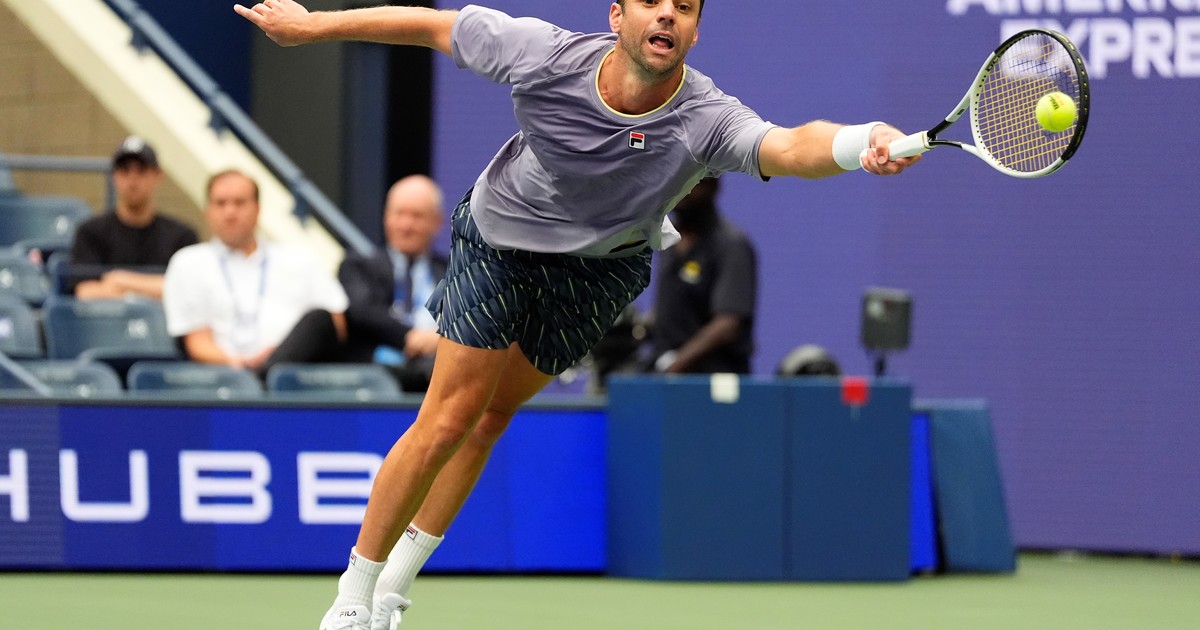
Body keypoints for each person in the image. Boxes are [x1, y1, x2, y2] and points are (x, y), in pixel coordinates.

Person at [234, 1, 921, 628]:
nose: (668, 15)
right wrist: (311, 27)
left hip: (600, 271)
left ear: (695, 31)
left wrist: (863, 141)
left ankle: (393, 592)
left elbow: (791, 146)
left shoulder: (705, 117)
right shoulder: (543, 54)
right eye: (652, 2)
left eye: (684, 8)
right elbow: (431, 26)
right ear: (618, 16)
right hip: (500, 241)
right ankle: (353, 599)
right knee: (449, 416)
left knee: (492, 418)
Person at [162, 169, 349, 376]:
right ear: (207, 211)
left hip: (291, 373)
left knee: (319, 318)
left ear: (258, 209)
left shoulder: (300, 259)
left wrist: (283, 350)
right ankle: (260, 376)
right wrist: (237, 363)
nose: (230, 212)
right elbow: (197, 342)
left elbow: (335, 323)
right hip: (223, 377)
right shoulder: (188, 263)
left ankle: (265, 373)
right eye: (221, 203)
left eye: (239, 203)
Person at [338, 175, 448, 392]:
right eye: (399, 214)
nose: (406, 225)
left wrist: (441, 339)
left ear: (437, 222)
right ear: (386, 217)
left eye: (417, 216)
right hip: (376, 378)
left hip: (438, 372)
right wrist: (411, 336)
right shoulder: (359, 266)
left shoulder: (453, 273)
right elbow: (364, 312)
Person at [69, 136, 199, 300]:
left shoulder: (182, 236)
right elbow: (85, 292)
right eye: (125, 170)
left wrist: (120, 280)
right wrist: (155, 291)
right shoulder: (90, 232)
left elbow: (187, 291)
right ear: (114, 176)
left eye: (141, 170)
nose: (133, 179)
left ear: (158, 175)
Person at [650, 176, 756, 374]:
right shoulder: (667, 239)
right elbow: (676, 312)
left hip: (713, 380)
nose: (681, 192)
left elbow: (728, 323)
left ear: (713, 187)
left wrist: (672, 368)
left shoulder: (731, 245)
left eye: (692, 183)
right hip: (667, 377)